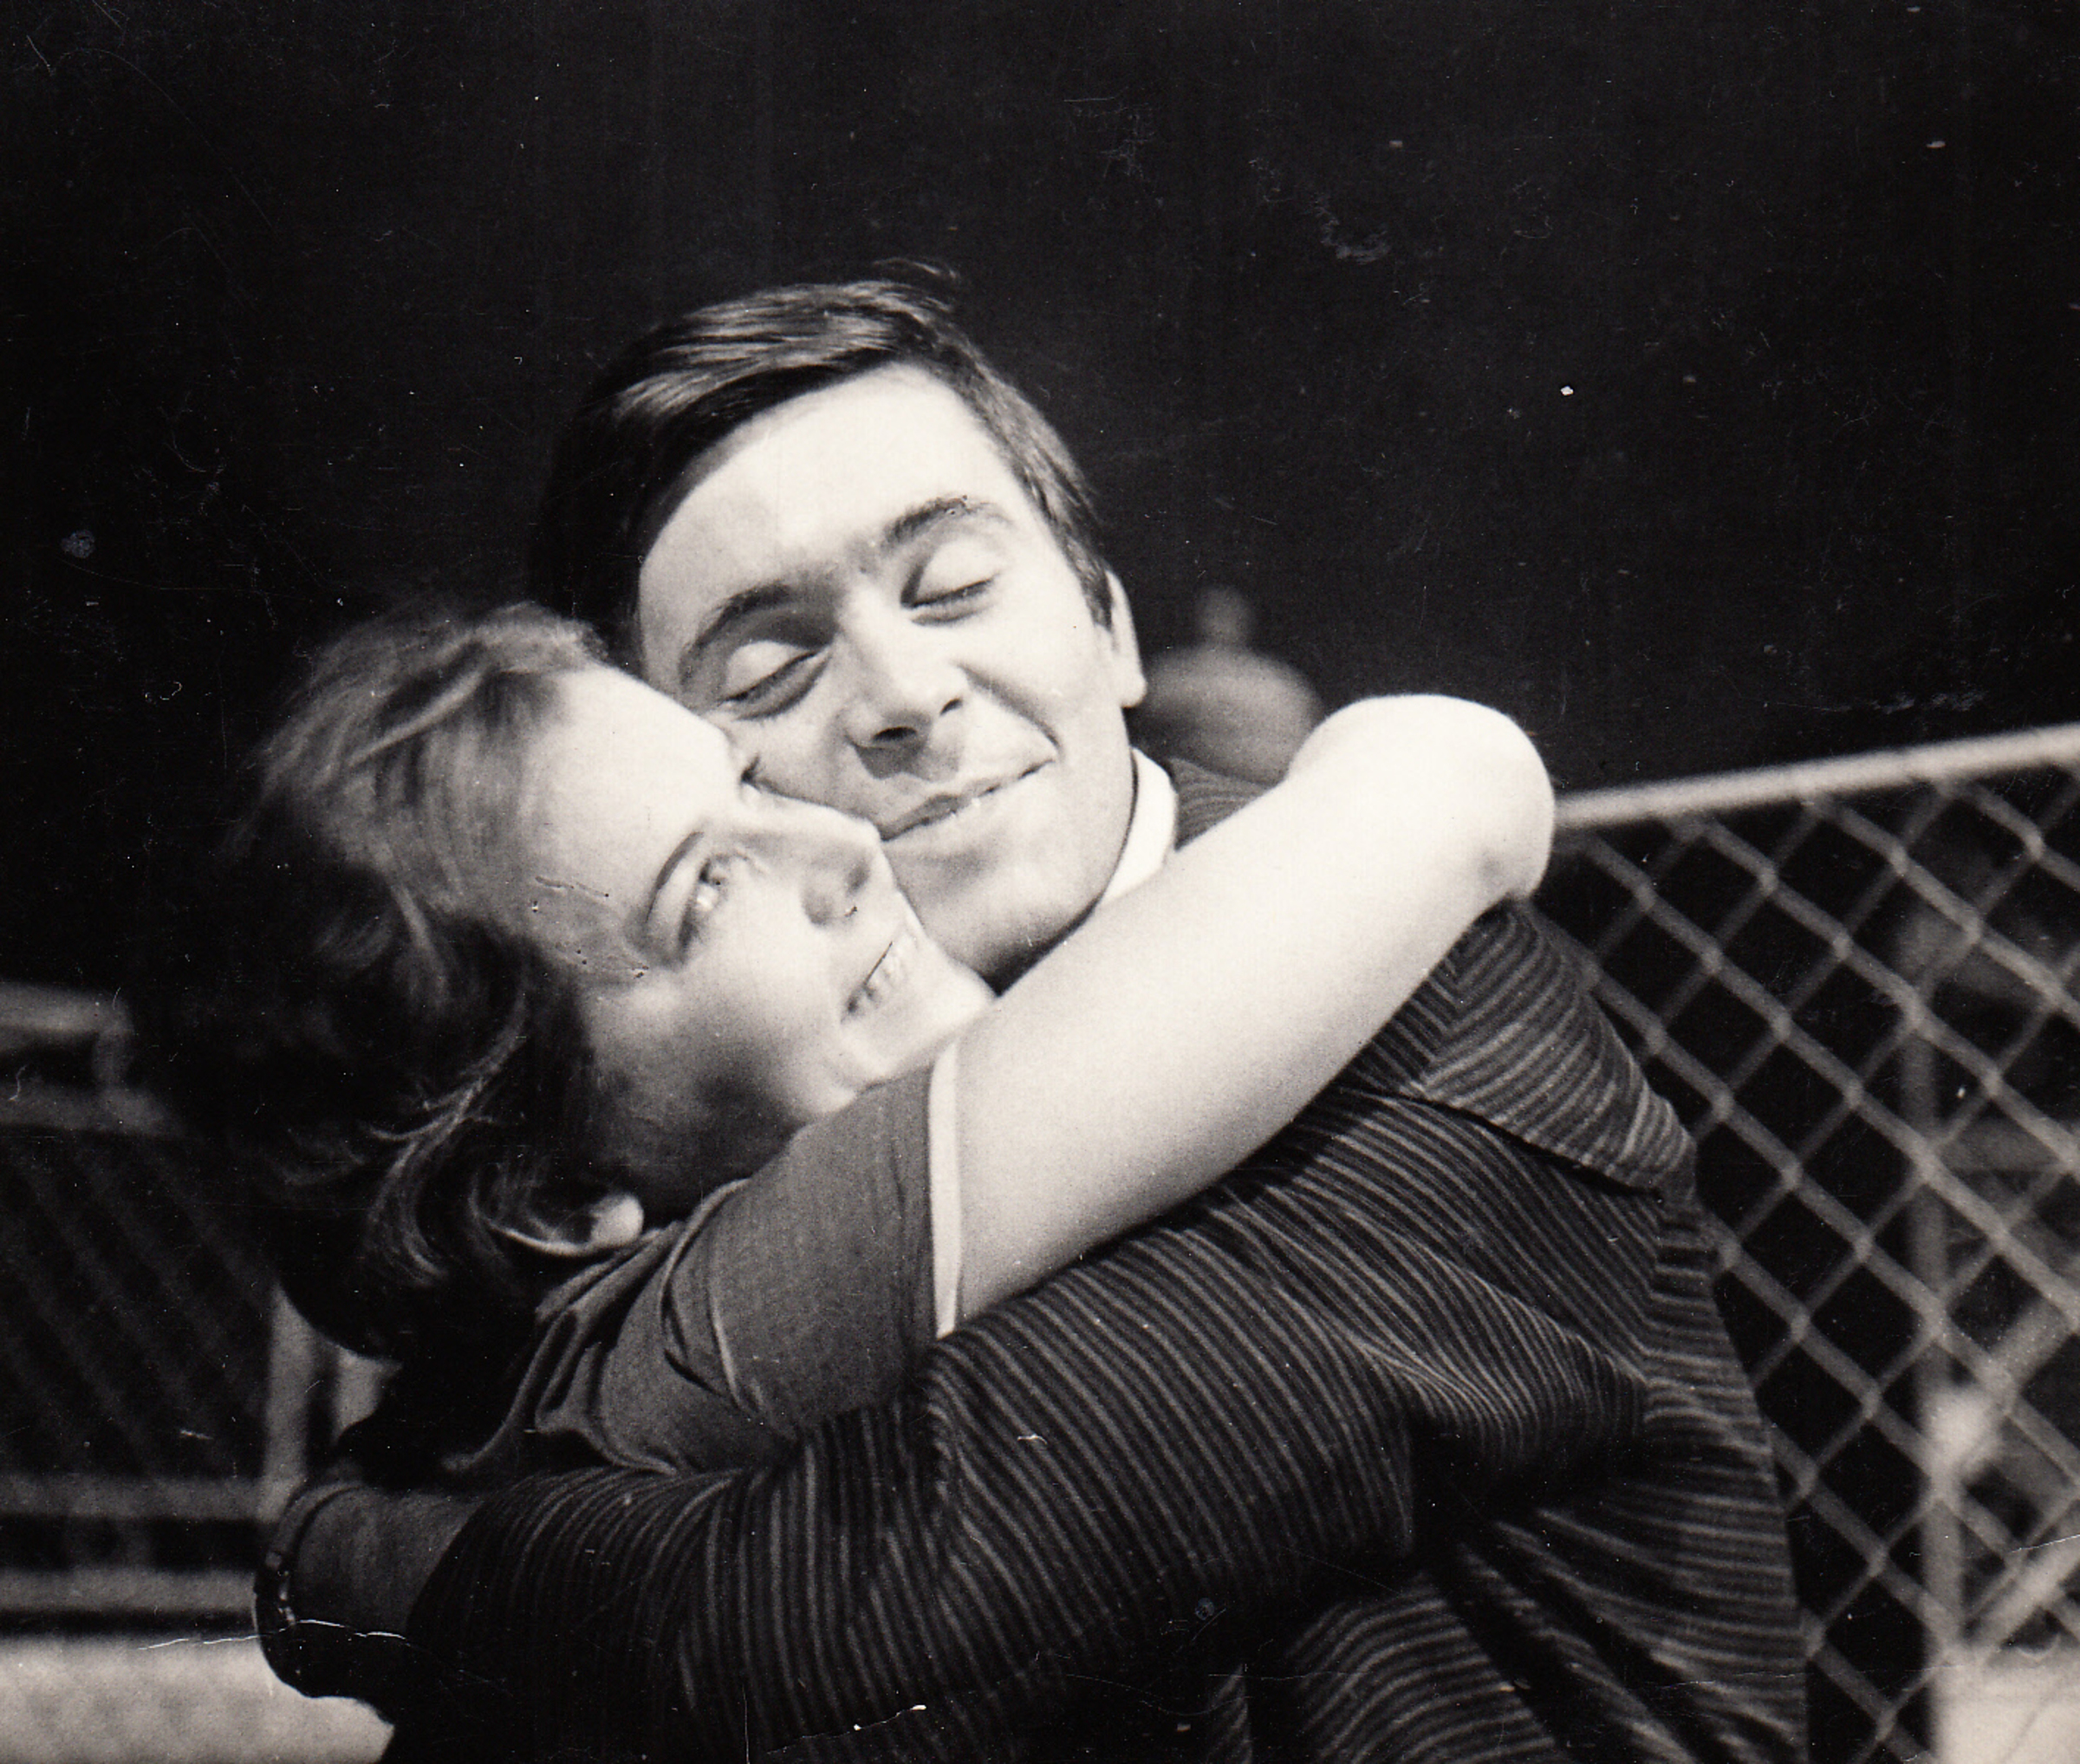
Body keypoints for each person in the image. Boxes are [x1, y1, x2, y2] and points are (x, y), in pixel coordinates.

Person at [266, 279, 1806, 1761]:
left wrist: (375, 1553)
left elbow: (813, 1621)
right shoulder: (791, 1104)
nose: (905, 691)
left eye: (953, 586)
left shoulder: (1417, 1001)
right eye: (771, 671)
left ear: (1112, 629)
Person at [192, 601, 1546, 1494]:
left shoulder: (524, 1431)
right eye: (704, 891)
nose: (841, 844)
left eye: (746, 783)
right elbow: (1455, 788)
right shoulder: (740, 1315)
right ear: (551, 1193)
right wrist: (1404, 748)